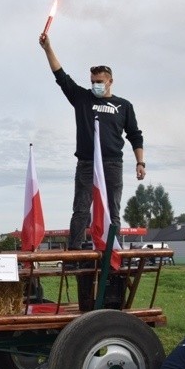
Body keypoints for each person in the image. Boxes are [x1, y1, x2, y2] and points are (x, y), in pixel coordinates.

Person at [38, 34, 145, 250]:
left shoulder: (124, 106)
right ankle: (75, 253)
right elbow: (61, 77)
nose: (96, 85)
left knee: (112, 209)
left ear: (110, 81)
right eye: (93, 82)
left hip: (113, 164)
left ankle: (111, 251)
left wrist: (140, 162)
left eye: (100, 82)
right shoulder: (82, 99)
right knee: (81, 209)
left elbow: (134, 134)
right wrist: (48, 48)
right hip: (87, 163)